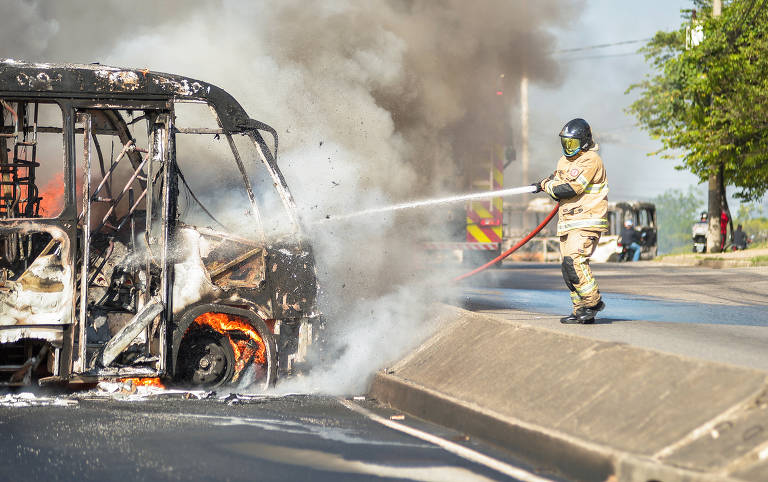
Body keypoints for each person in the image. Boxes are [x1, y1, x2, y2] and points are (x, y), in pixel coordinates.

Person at [532, 118, 609, 324]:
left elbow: (570, 188)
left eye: (572, 143)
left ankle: (593, 302)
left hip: (586, 219)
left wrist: (546, 185)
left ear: (584, 142)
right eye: (565, 143)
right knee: (567, 269)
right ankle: (580, 310)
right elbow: (558, 185)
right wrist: (546, 183)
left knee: (574, 262)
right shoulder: (564, 162)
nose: (568, 147)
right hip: (568, 222)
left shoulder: (591, 160)